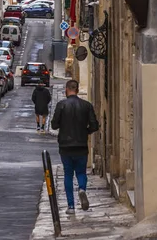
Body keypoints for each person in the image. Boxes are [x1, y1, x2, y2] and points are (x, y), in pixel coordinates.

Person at [51, 79, 99, 215]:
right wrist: (85, 131)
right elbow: (94, 125)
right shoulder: (86, 106)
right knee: (81, 172)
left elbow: (54, 125)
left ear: (67, 89)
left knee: (68, 174)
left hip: (65, 146)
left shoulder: (61, 105)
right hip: (81, 145)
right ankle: (82, 189)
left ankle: (71, 206)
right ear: (77, 90)